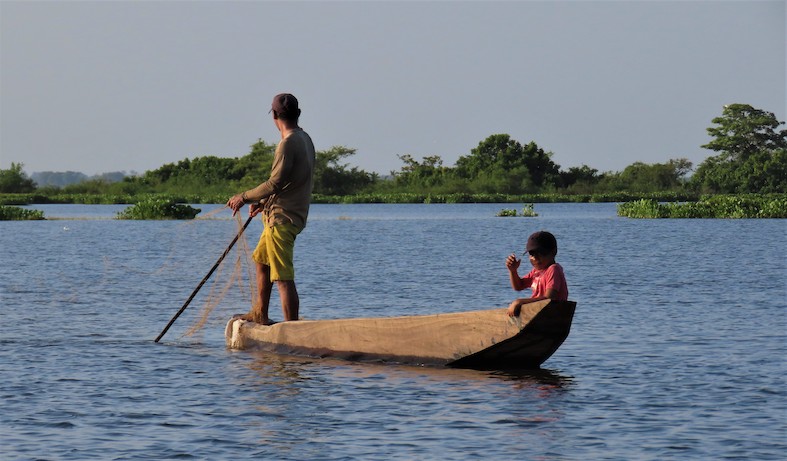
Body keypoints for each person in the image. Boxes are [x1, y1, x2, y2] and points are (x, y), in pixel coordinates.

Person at [227, 93, 316, 325]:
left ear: (274, 115)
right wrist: (263, 202)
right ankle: (261, 316)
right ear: (297, 114)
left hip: (282, 219)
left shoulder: (287, 144)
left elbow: (275, 183)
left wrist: (243, 197)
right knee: (262, 261)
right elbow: (289, 182)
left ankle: (292, 330)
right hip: (282, 214)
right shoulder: (305, 138)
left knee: (283, 278)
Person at [505, 230, 568, 317]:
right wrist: (513, 271)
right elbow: (518, 286)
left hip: (551, 317)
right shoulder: (536, 272)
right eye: (532, 254)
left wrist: (520, 302)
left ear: (553, 252)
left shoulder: (553, 269)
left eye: (541, 253)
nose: (535, 258)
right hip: (539, 316)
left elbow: (549, 299)